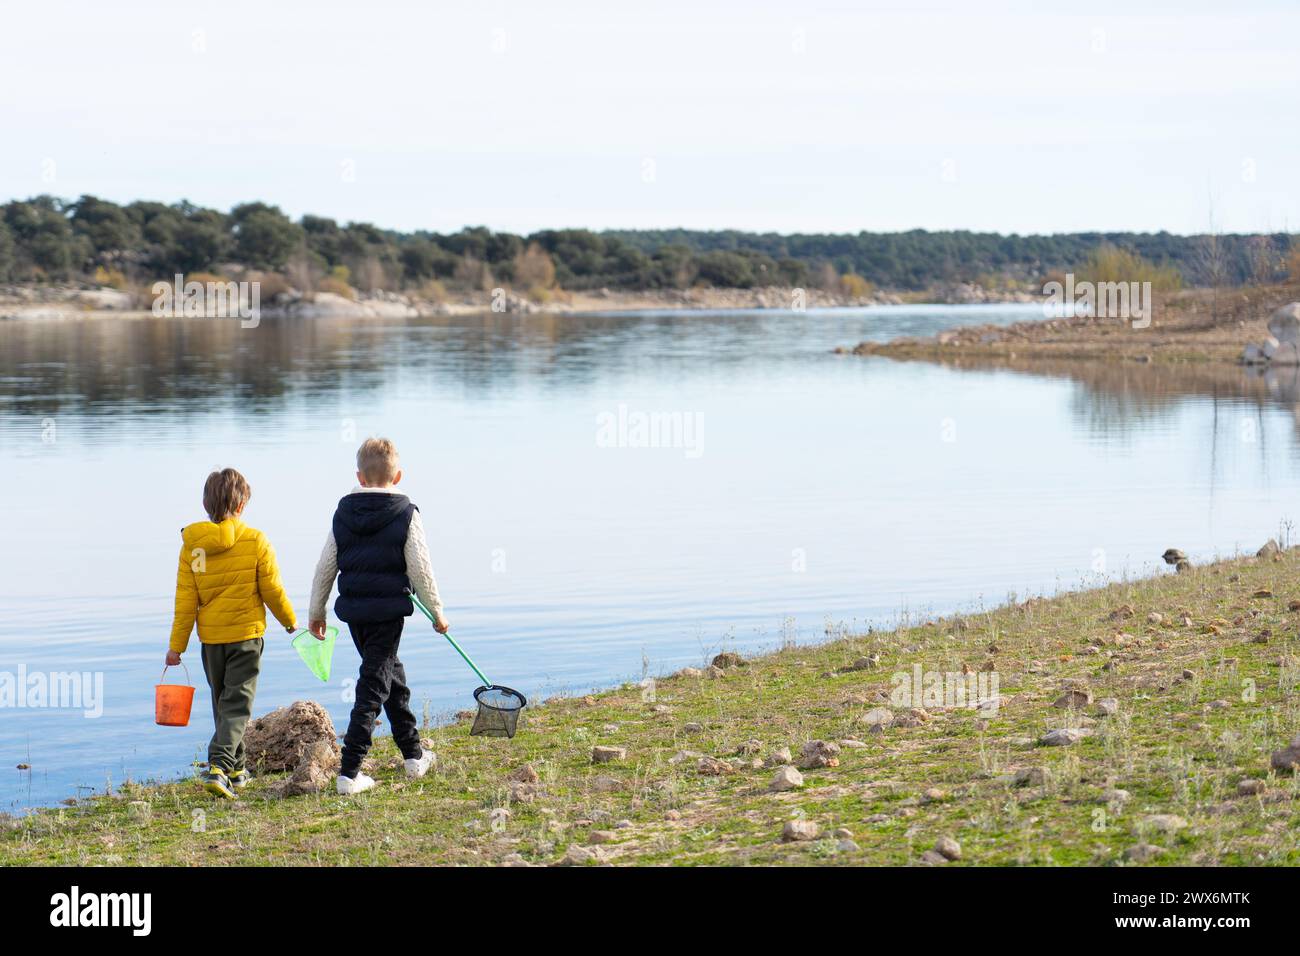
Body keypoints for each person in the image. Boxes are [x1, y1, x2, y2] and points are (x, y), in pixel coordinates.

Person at [307, 437, 446, 795]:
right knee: (373, 685)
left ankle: (414, 756)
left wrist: (316, 611)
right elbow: (420, 568)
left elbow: (325, 566)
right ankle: (349, 772)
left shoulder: (343, 512)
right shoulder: (405, 513)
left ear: (359, 476)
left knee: (389, 677)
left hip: (355, 613)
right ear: (397, 476)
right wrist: (438, 611)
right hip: (387, 612)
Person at [168, 467, 296, 799]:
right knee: (238, 706)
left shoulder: (194, 549)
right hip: (245, 637)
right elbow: (272, 591)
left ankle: (237, 771)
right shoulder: (255, 541)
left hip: (211, 640)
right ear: (241, 506)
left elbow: (186, 603)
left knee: (224, 704)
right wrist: (290, 622)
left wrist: (176, 647)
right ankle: (218, 767)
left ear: (206, 504)